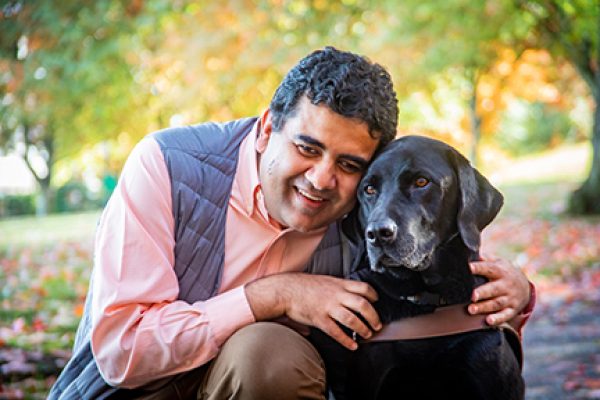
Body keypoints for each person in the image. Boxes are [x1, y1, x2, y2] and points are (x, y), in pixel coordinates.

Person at [49, 47, 533, 400]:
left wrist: (518, 292)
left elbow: (427, 256)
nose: (322, 179)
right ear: (266, 130)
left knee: (267, 356)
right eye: (307, 148)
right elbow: (122, 350)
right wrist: (275, 295)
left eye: (348, 164)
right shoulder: (165, 165)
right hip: (133, 393)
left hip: (253, 380)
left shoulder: (356, 208)